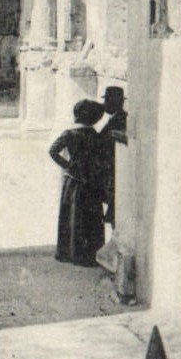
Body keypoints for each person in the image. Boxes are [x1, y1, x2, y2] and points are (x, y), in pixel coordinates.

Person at [49, 99, 107, 266]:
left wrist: (68, 166)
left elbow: (53, 151)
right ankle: (89, 253)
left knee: (72, 215)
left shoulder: (69, 134)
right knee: (91, 216)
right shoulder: (96, 136)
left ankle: (69, 252)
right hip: (91, 181)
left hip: (73, 182)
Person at [99, 86, 128, 229]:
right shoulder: (116, 118)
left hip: (114, 172)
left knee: (116, 209)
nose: (104, 105)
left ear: (115, 102)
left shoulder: (119, 119)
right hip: (111, 171)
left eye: (107, 101)